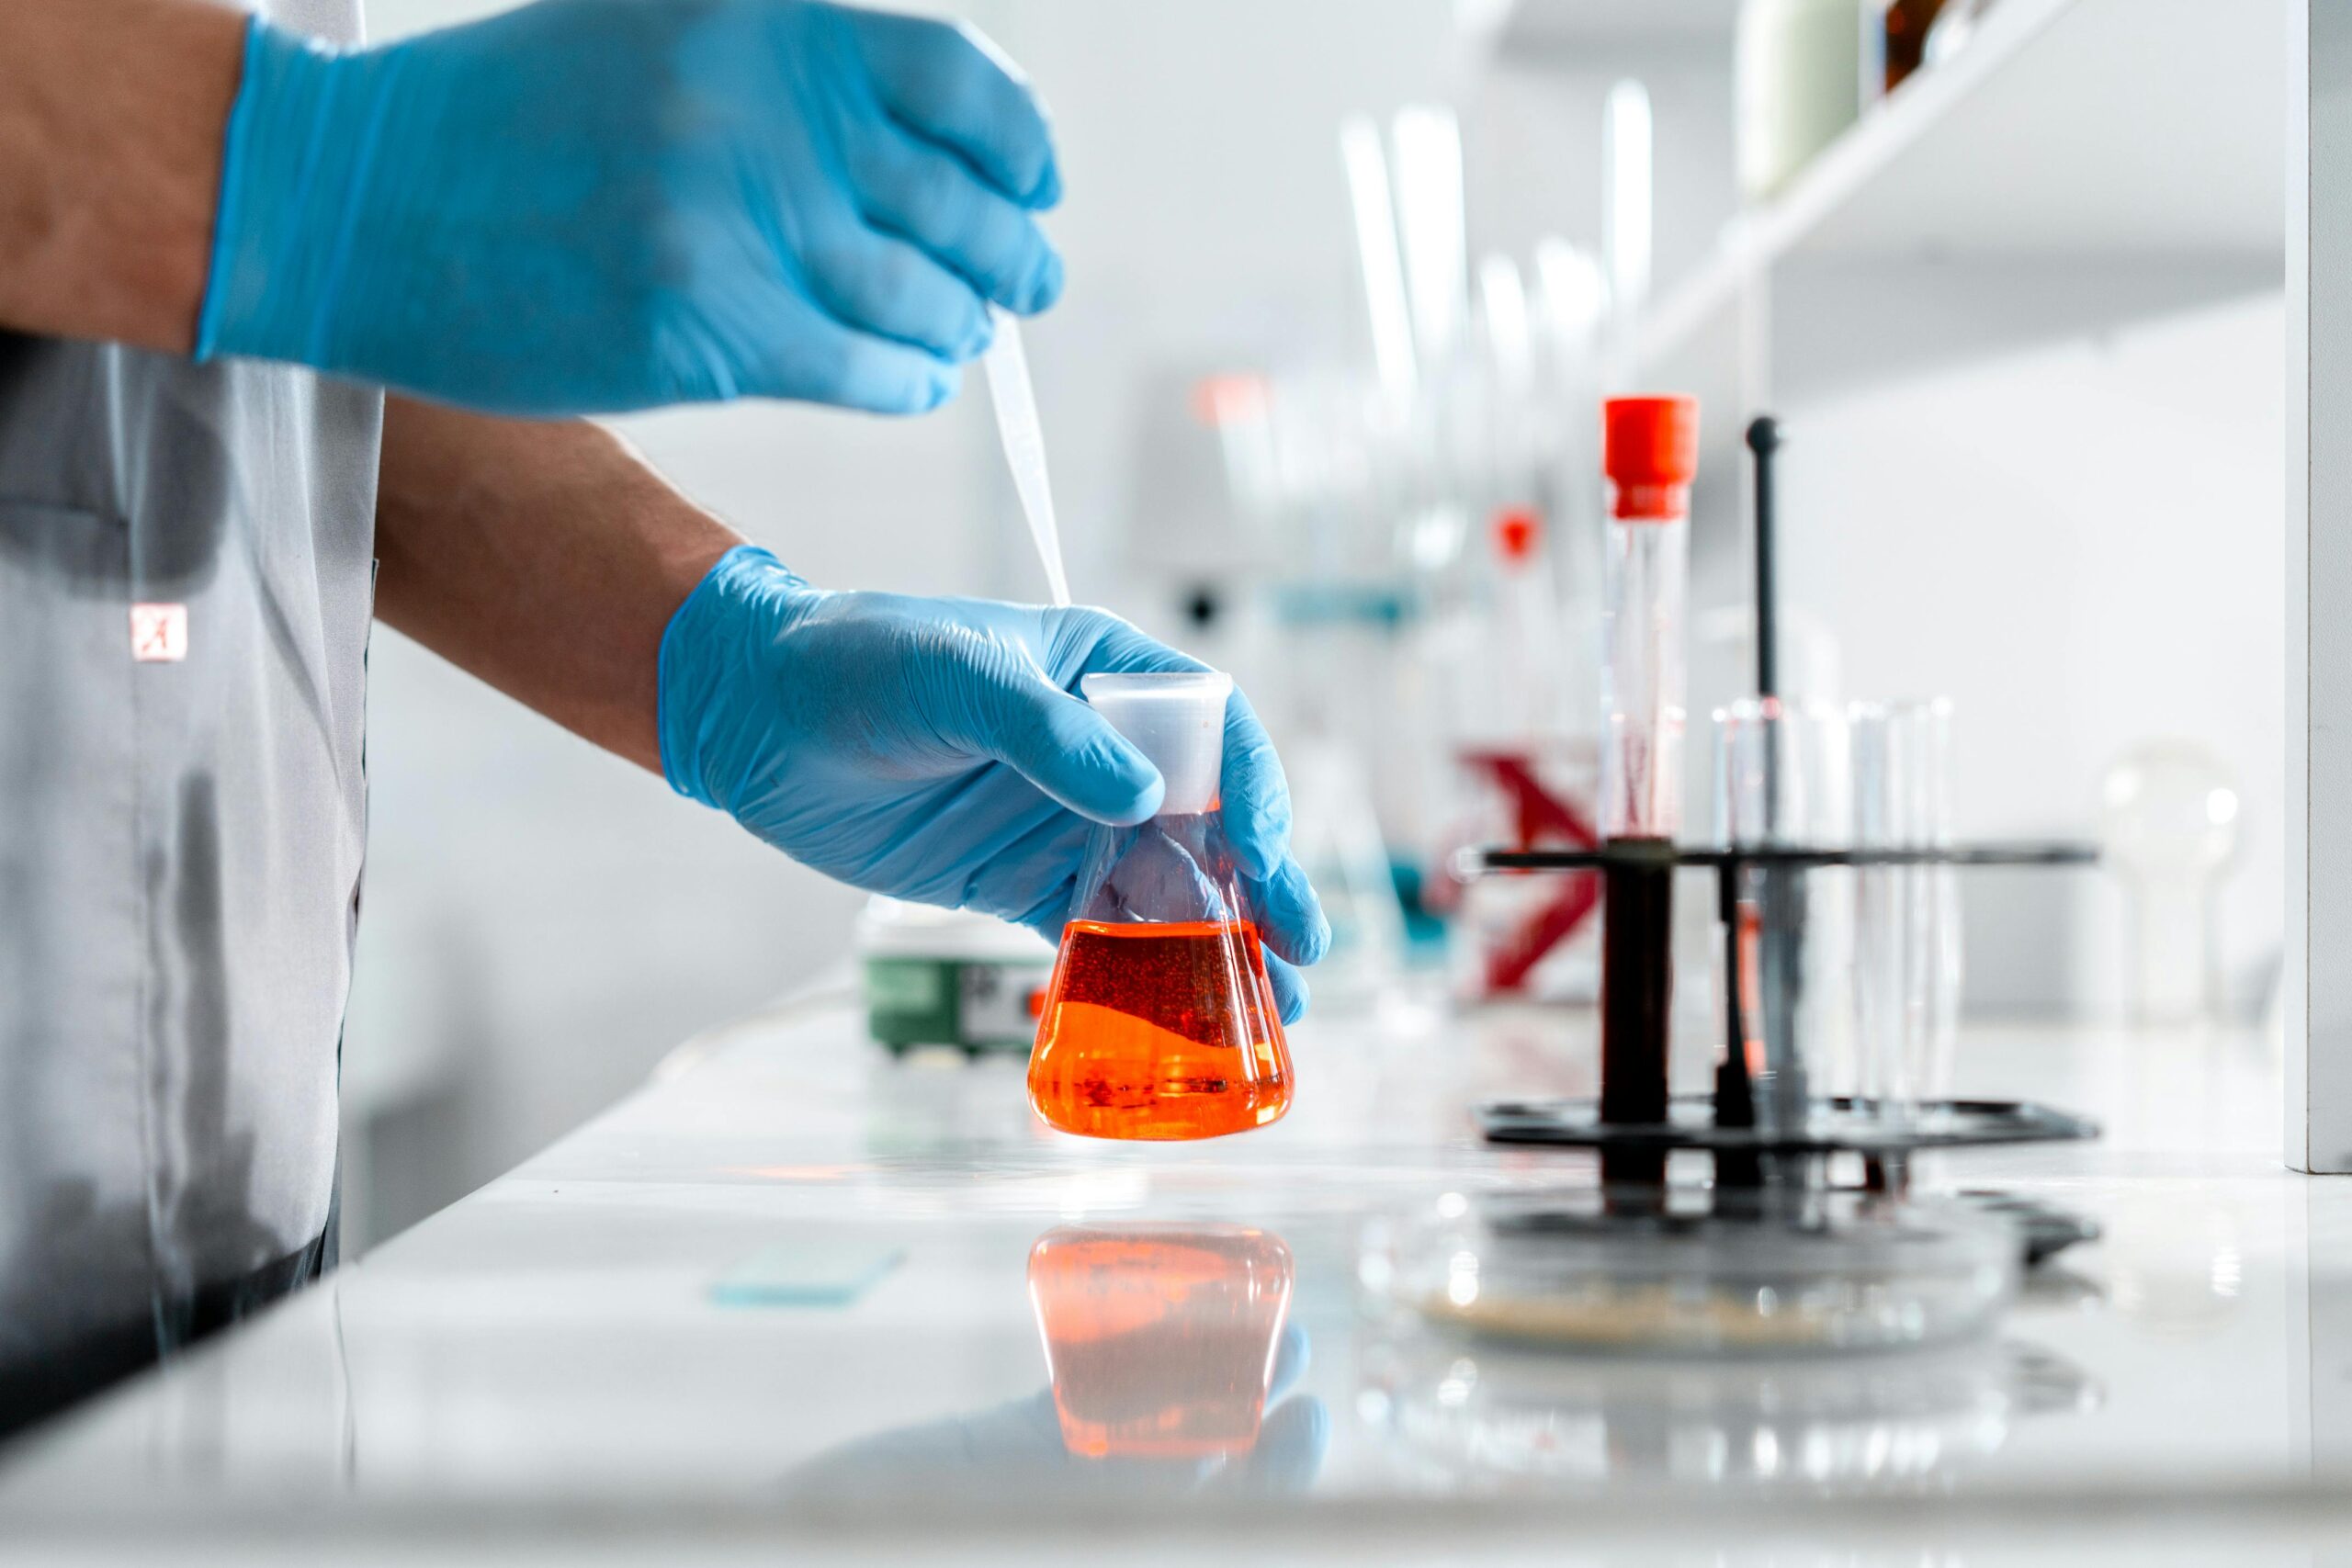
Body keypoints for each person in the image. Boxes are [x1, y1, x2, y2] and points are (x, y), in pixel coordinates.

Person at [0, 0, 1327, 1439]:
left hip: (223, 1249)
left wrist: (720, 647)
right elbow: (274, 228)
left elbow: (266, 387)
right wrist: (320, 169)